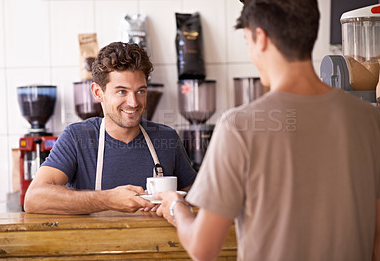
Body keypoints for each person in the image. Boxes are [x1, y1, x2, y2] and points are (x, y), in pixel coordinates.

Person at [155, 0, 380, 260]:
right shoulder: (369, 120)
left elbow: (202, 248)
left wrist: (175, 206)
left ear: (260, 38)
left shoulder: (238, 126)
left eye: (247, 41)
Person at [24, 42, 196, 215]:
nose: (134, 103)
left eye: (140, 91)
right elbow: (34, 199)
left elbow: (198, 198)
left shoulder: (167, 138)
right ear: (98, 93)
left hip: (157, 242)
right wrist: (108, 199)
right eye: (122, 91)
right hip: (94, 242)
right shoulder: (77, 138)